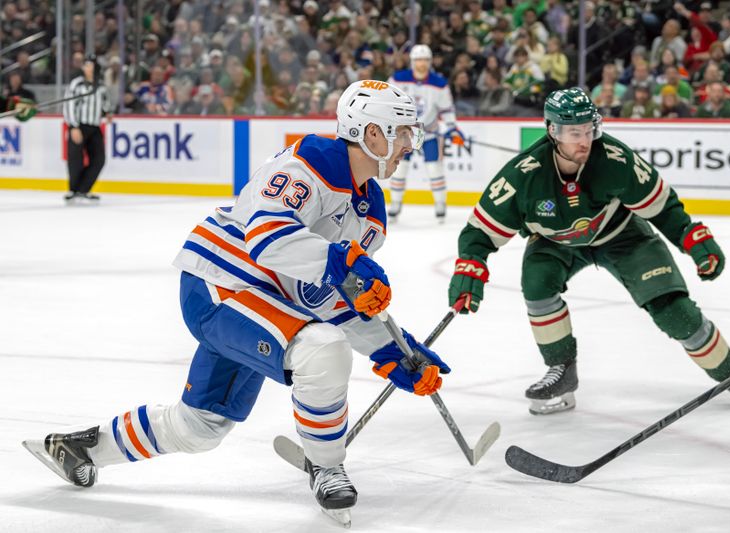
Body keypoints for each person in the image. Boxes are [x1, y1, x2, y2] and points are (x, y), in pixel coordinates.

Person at [23, 80, 449, 523]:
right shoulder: (312, 163)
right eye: (402, 132)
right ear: (371, 132)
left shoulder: (372, 212)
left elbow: (325, 295)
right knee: (321, 349)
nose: (409, 145)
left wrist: (393, 349)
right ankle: (326, 466)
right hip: (222, 284)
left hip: (269, 306)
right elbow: (268, 239)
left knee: (201, 426)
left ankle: (79, 447)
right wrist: (342, 263)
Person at [447, 87, 730, 416]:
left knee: (671, 307)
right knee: (537, 285)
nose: (584, 140)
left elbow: (662, 206)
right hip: (555, 243)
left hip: (623, 235)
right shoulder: (523, 176)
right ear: (552, 131)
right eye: (573, 132)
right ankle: (561, 371)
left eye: (589, 129)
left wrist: (690, 236)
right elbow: (480, 232)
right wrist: (469, 267)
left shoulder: (614, 159)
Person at [387, 44, 465, 223]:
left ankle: (440, 205)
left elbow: (446, 109)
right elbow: (388, 103)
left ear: (429, 62)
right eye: (418, 60)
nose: (421, 64)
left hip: (429, 132)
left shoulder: (439, 83)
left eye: (425, 60)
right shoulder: (398, 79)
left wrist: (452, 127)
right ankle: (395, 205)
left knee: (434, 169)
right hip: (404, 134)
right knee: (399, 170)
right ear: (412, 62)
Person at [63, 54, 111, 204]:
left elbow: (105, 105)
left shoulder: (101, 86)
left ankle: (83, 189)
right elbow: (69, 105)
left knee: (99, 159)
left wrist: (108, 113)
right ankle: (73, 190)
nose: (88, 68)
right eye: (86, 65)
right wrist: (73, 126)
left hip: (94, 126)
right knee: (75, 159)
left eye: (91, 65)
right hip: (79, 125)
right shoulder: (76, 84)